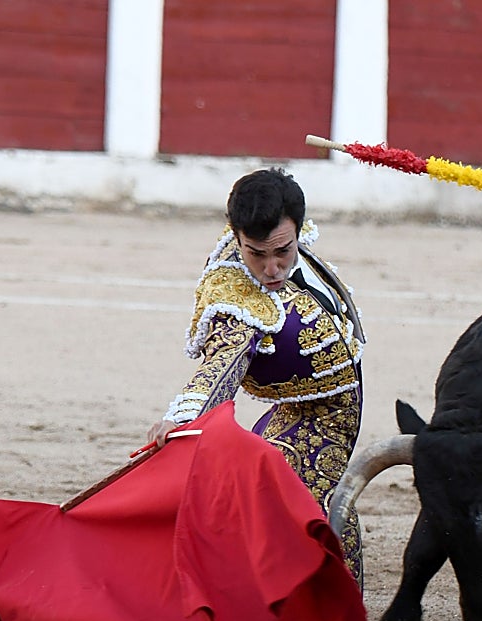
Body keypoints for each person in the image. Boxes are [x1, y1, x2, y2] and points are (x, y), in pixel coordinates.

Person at [148, 168, 367, 587]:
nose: (271, 268)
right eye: (256, 254)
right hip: (312, 423)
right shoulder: (236, 296)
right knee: (322, 514)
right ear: (237, 236)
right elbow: (222, 365)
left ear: (298, 230)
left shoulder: (276, 240)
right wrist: (183, 416)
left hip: (294, 413)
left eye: (283, 250)